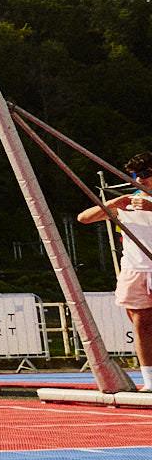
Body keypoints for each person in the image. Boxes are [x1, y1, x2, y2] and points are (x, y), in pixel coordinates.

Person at [79, 152, 152, 392]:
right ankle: (150, 381)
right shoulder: (129, 202)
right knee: (141, 325)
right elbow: (84, 218)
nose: (140, 180)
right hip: (134, 268)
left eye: (145, 174)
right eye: (135, 175)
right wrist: (113, 204)